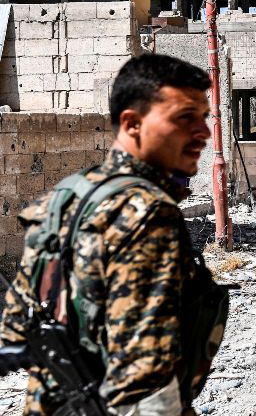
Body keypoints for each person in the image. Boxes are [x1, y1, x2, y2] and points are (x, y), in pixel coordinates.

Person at [1, 54, 226, 416]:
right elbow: (144, 378)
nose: (203, 132)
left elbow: (16, 327)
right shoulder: (148, 213)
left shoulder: (69, 194)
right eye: (185, 118)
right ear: (132, 123)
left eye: (203, 117)